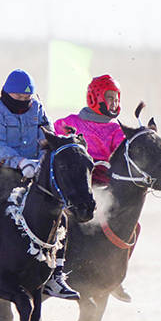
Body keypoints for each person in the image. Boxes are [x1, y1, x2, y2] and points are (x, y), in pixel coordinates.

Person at [0, 69, 79, 300]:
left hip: (35, 169)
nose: (24, 102)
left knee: (60, 211)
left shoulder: (37, 108)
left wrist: (48, 147)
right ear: (7, 94)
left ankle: (56, 274)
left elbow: (47, 132)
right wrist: (20, 161)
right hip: (4, 169)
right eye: (18, 98)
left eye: (27, 99)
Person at [53, 74, 132, 302]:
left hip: (106, 190)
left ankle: (114, 277)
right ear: (95, 97)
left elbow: (122, 158)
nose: (114, 103)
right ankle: (53, 269)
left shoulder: (118, 130)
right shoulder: (70, 123)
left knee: (133, 226)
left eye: (117, 98)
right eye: (110, 97)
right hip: (78, 188)